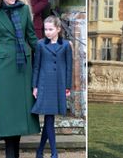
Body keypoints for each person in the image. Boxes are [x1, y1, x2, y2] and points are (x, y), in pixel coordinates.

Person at [0, 0, 39, 158]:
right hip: (5, 66)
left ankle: (15, 152)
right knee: (8, 113)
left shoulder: (24, 10)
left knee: (20, 112)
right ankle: (10, 154)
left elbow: (31, 36)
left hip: (23, 65)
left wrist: (46, 52)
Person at [32, 15, 73, 158]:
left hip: (59, 84)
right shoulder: (40, 44)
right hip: (44, 84)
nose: (47, 32)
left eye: (50, 29)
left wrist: (68, 86)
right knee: (49, 117)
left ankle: (40, 150)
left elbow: (69, 67)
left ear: (58, 29)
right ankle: (54, 152)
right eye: (45, 29)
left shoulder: (66, 45)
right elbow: (36, 66)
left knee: (50, 118)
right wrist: (35, 86)